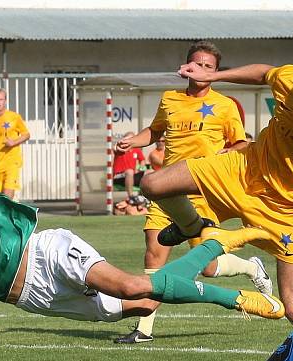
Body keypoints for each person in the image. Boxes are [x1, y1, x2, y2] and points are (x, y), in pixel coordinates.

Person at [0, 65, 286, 337]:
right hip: (25, 294)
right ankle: (217, 243)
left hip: (44, 250)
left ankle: (235, 299)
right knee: (145, 303)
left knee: (132, 285)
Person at [140, 40, 293, 330]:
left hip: (289, 210)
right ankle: (190, 227)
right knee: (153, 184)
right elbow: (264, 73)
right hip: (246, 171)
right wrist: (214, 76)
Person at [113, 40, 272, 345]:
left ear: (215, 71)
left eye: (208, 66)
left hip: (202, 191)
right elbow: (156, 132)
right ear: (186, 67)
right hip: (166, 192)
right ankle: (144, 329)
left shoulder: (225, 105)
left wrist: (221, 164)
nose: (201, 70)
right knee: (154, 253)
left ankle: (250, 267)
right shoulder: (170, 98)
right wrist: (134, 140)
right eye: (196, 64)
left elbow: (240, 144)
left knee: (209, 268)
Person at [112, 134, 147, 204]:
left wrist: (140, 167)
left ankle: (143, 197)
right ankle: (131, 197)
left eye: (133, 138)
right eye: (129, 138)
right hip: (118, 176)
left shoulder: (136, 149)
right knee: (129, 171)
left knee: (149, 173)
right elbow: (114, 148)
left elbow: (142, 160)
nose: (131, 140)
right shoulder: (120, 148)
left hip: (131, 175)